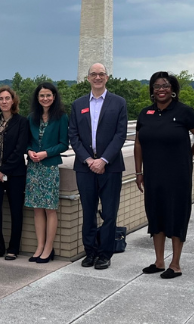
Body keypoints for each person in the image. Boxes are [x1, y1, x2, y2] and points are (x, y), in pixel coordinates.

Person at [134, 71, 194, 279]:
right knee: (155, 214)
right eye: (156, 86)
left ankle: (175, 264)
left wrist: (187, 155)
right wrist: (139, 172)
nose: (161, 89)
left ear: (173, 89)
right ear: (152, 90)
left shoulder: (184, 112)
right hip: (153, 174)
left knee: (176, 215)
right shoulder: (145, 113)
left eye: (165, 85)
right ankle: (159, 262)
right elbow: (138, 143)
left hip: (178, 175)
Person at [68, 63, 128, 270]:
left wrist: (103, 160)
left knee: (109, 212)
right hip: (85, 167)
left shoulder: (118, 103)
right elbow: (73, 136)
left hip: (110, 167)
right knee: (88, 211)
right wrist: (88, 160)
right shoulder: (78, 104)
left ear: (107, 77)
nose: (97, 77)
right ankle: (91, 252)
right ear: (88, 78)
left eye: (101, 74)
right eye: (93, 74)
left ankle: (105, 254)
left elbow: (120, 135)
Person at [24, 82, 68, 263]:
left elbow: (64, 144)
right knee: (37, 209)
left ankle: (49, 248)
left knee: (50, 209)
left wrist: (46, 153)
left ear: (54, 96)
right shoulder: (31, 117)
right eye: (42, 95)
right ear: (37, 98)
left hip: (49, 167)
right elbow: (25, 141)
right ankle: (39, 246)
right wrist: (29, 151)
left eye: (48, 95)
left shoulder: (61, 117)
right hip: (33, 168)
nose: (45, 98)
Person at [0, 86, 29, 260]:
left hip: (15, 174)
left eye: (7, 98)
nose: (4, 101)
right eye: (1, 99)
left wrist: (3, 169)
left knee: (15, 211)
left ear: (13, 101)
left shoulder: (22, 122)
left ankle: (13, 248)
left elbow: (20, 150)